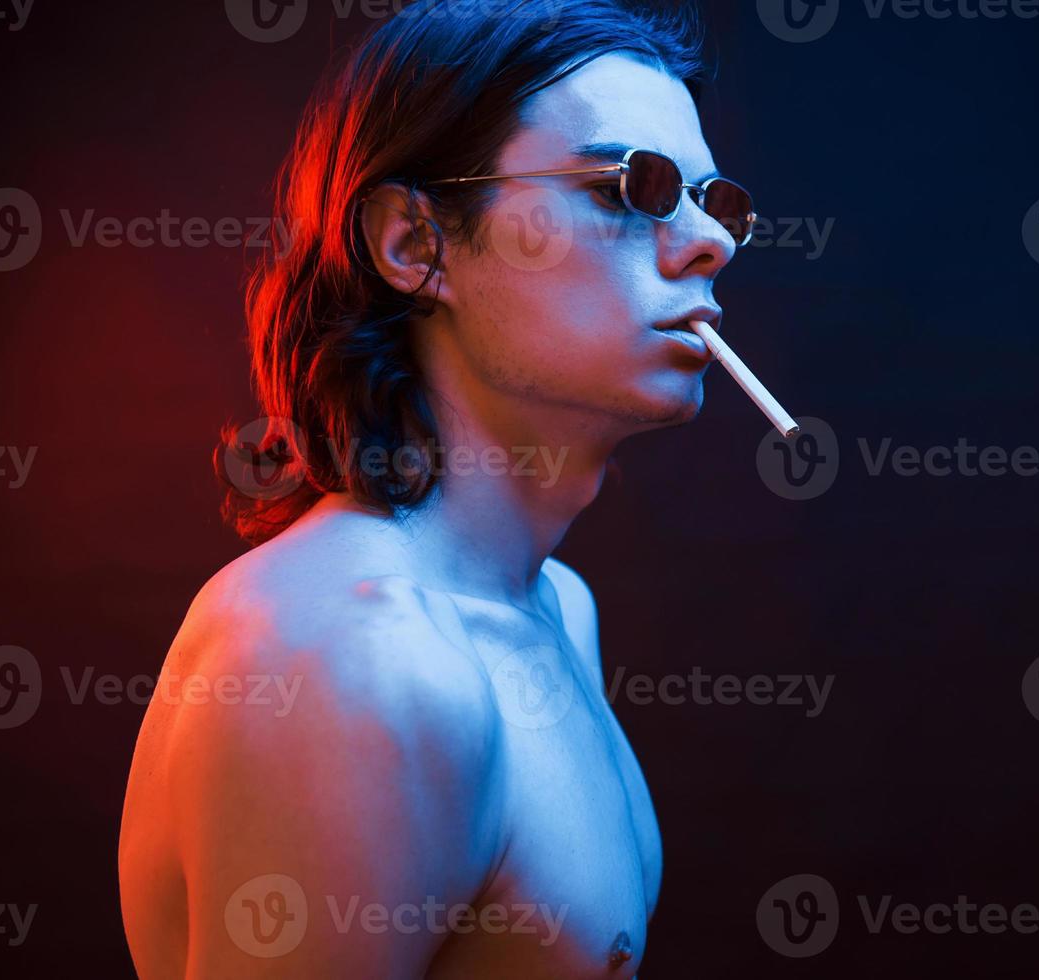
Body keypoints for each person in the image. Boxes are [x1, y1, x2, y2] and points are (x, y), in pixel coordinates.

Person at [119, 1, 756, 974]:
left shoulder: (552, 609)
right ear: (416, 244)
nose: (709, 240)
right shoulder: (355, 661)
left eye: (716, 199)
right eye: (634, 187)